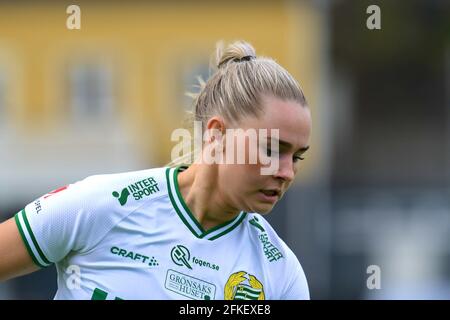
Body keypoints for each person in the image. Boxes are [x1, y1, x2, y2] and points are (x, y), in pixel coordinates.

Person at [0, 40, 312, 300]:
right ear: (217, 134)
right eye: (271, 149)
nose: (286, 172)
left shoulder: (280, 275)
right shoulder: (101, 205)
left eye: (297, 157)